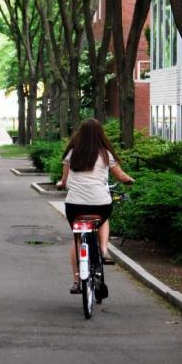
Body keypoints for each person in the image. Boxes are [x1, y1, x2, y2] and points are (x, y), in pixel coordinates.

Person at [57, 118, 134, 294]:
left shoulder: (72, 153)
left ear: (80, 134)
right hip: (100, 203)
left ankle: (76, 281)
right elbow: (121, 176)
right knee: (103, 218)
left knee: (77, 238)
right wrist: (130, 180)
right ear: (100, 134)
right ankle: (104, 249)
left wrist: (60, 184)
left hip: (74, 205)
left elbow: (64, 180)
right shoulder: (106, 153)